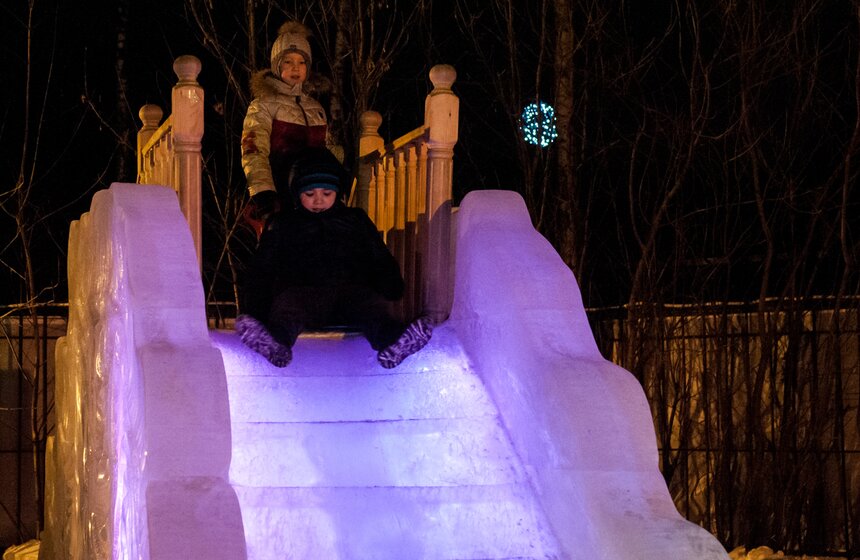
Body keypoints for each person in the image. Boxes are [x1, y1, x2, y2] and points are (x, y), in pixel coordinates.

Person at [235, 148, 433, 369]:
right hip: (304, 294)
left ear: (337, 193)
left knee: (370, 309)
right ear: (297, 193)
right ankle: (276, 342)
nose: (318, 200)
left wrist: (390, 283)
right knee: (288, 308)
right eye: (310, 194)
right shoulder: (284, 223)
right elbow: (263, 268)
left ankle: (393, 341)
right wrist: (254, 311)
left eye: (326, 194)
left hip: (349, 292)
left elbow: (376, 254)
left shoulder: (354, 219)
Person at [241, 20, 332, 234]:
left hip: (314, 195)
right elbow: (253, 149)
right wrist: (263, 191)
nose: (295, 68)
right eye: (288, 62)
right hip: (280, 193)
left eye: (301, 62)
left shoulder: (316, 108)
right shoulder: (263, 104)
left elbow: (327, 148)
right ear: (277, 66)